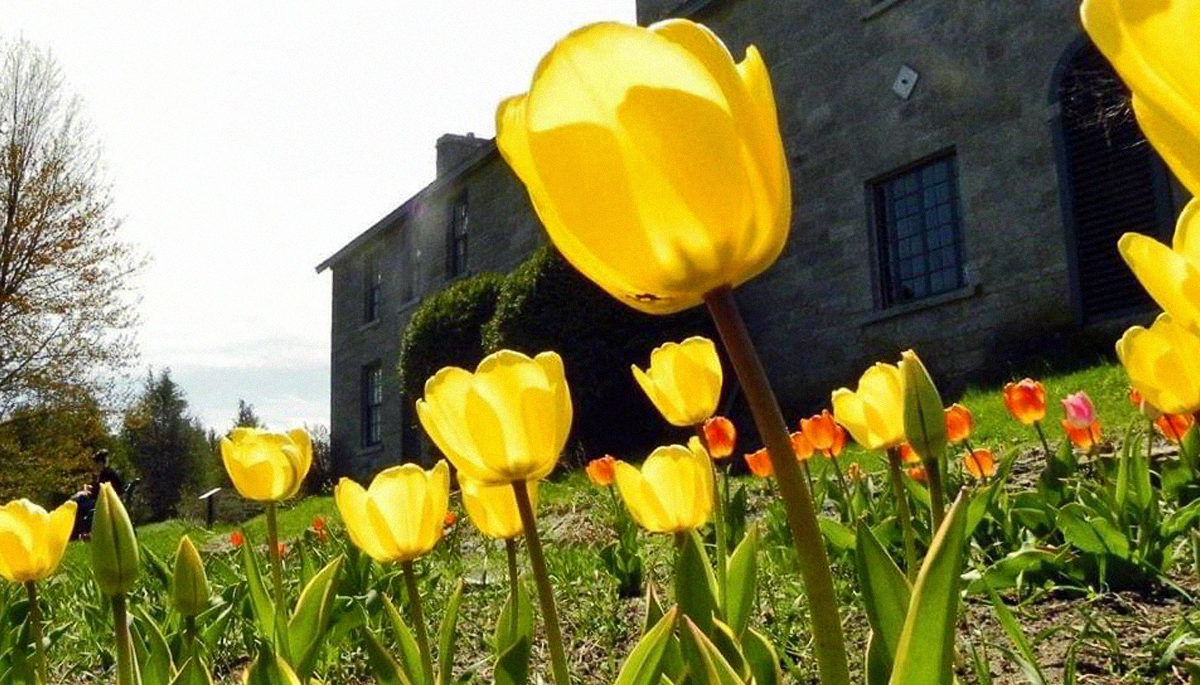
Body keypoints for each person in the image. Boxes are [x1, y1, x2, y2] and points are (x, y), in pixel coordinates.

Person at [70, 450, 124, 538]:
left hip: (104, 503)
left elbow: (99, 492)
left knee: (78, 504)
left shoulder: (106, 474)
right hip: (105, 501)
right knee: (78, 500)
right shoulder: (108, 473)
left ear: (100, 463)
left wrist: (86, 492)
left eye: (95, 464)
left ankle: (77, 533)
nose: (94, 467)